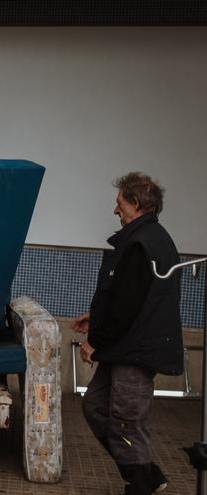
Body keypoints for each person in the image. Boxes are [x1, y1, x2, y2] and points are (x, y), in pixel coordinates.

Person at [73, 172, 184, 494]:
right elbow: (131, 296)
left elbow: (127, 307)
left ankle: (139, 484)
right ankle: (146, 474)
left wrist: (95, 342)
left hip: (134, 350)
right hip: (126, 346)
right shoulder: (145, 239)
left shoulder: (142, 242)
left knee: (126, 422)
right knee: (95, 406)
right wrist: (97, 317)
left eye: (119, 202)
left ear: (135, 203)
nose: (115, 210)